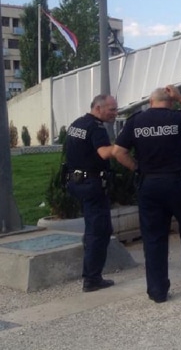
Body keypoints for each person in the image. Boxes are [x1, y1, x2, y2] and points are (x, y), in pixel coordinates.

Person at [113, 85, 181, 303]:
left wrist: (138, 168)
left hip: (150, 184)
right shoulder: (177, 117)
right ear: (171, 101)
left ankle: (157, 291)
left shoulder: (136, 121)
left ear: (150, 101)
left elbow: (119, 152)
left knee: (154, 238)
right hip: (178, 183)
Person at [64, 93, 119, 293]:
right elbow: (104, 153)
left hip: (76, 182)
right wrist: (122, 147)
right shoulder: (97, 128)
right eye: (112, 109)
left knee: (92, 229)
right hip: (92, 185)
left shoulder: (77, 124)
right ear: (98, 108)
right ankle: (92, 279)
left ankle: (91, 270)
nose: (115, 113)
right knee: (100, 231)